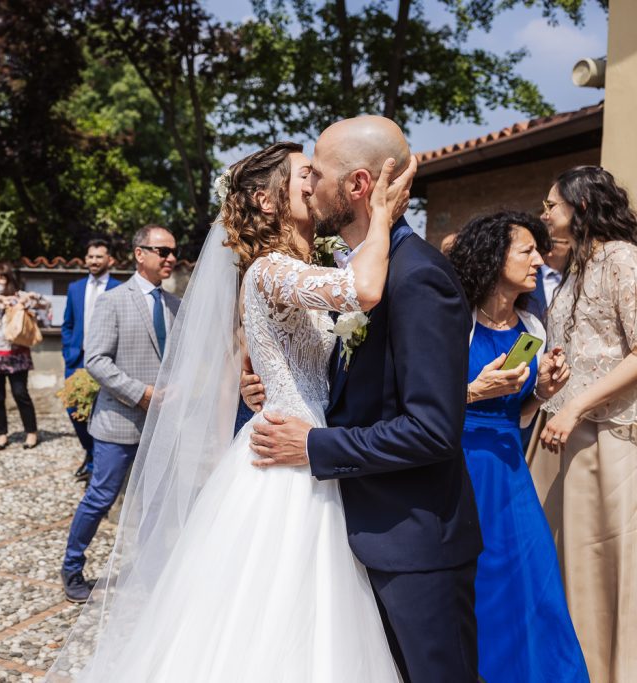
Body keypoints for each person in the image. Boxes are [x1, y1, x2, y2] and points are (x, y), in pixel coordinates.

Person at [48, 139, 415, 681]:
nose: (316, 184)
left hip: (311, 446)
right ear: (267, 201)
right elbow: (363, 290)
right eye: (303, 176)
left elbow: (289, 358)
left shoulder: (300, 267)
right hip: (285, 466)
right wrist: (381, 213)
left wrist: (261, 384)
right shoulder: (269, 270)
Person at [242, 117, 482, 682]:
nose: (308, 186)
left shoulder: (416, 276)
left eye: (316, 174)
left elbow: (432, 430)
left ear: (355, 187)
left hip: (416, 544)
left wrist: (315, 443)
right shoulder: (356, 269)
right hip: (356, 526)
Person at [446, 211, 586, 682]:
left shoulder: (532, 327)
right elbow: (426, 405)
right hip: (460, 467)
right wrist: (473, 392)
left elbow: (520, 413)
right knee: (477, 585)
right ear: (494, 255)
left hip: (510, 471)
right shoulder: (454, 320)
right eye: (526, 250)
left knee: (536, 583)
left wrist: (542, 392)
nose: (538, 259)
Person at [529, 166, 637, 683]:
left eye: (552, 204)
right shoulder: (573, 267)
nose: (545, 214)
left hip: (612, 433)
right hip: (563, 432)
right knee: (570, 561)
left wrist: (575, 407)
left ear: (583, 208)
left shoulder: (622, 259)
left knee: (613, 562)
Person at [59, 225, 180, 604]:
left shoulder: (176, 306)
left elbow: (181, 360)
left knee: (157, 500)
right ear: (139, 254)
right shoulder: (113, 301)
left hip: (162, 425)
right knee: (101, 497)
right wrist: (141, 393)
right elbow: (95, 360)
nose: (171, 258)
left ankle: (150, 566)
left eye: (174, 251)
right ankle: (72, 566)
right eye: (162, 251)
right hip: (118, 421)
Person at [0, 262, 51, 450]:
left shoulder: (19, 297)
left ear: (8, 280)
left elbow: (45, 304)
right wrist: (1, 299)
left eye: (1, 277)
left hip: (16, 354)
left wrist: (30, 297)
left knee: (20, 393)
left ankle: (31, 432)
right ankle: (2, 434)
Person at [61, 239, 122, 479]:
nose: (94, 261)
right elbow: (67, 324)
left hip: (108, 361)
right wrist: (68, 352)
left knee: (101, 413)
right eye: (90, 256)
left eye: (99, 256)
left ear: (110, 260)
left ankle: (97, 465)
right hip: (77, 361)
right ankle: (90, 452)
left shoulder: (120, 288)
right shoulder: (75, 288)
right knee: (73, 410)